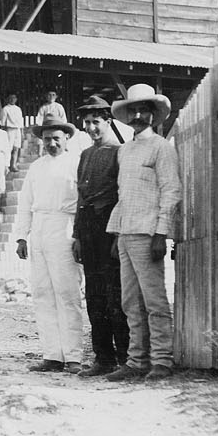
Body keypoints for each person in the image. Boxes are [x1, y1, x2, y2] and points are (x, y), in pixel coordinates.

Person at [105, 84, 182, 383]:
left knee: (155, 301)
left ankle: (162, 360)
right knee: (130, 302)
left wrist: (161, 233)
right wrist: (116, 234)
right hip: (126, 233)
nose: (138, 116)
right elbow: (125, 195)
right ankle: (136, 360)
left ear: (154, 115)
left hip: (148, 233)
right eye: (133, 111)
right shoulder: (124, 150)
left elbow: (171, 191)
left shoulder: (162, 148)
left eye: (144, 111)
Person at [14, 118, 84, 374]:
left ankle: (74, 356)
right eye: (47, 139)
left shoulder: (76, 164)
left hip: (64, 227)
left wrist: (79, 236)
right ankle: (53, 355)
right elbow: (25, 203)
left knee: (67, 294)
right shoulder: (36, 167)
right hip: (40, 230)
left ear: (66, 138)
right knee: (43, 293)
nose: (52, 143)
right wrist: (22, 236)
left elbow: (82, 204)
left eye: (57, 138)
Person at [72, 95, 128, 378]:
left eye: (96, 122)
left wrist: (118, 234)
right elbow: (81, 198)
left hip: (109, 229)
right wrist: (77, 236)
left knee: (114, 296)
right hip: (89, 231)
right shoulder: (85, 155)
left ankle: (124, 358)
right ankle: (102, 358)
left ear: (108, 122)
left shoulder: (120, 152)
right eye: (87, 122)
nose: (91, 127)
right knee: (93, 296)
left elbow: (123, 197)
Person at [0, 93, 26, 169]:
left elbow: (21, 122)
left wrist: (22, 132)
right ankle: (6, 165)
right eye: (10, 98)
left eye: (14, 98)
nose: (12, 99)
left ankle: (13, 165)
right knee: (8, 148)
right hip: (9, 129)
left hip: (17, 130)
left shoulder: (18, 109)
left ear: (16, 99)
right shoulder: (5, 109)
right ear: (7, 99)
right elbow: (2, 122)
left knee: (16, 148)